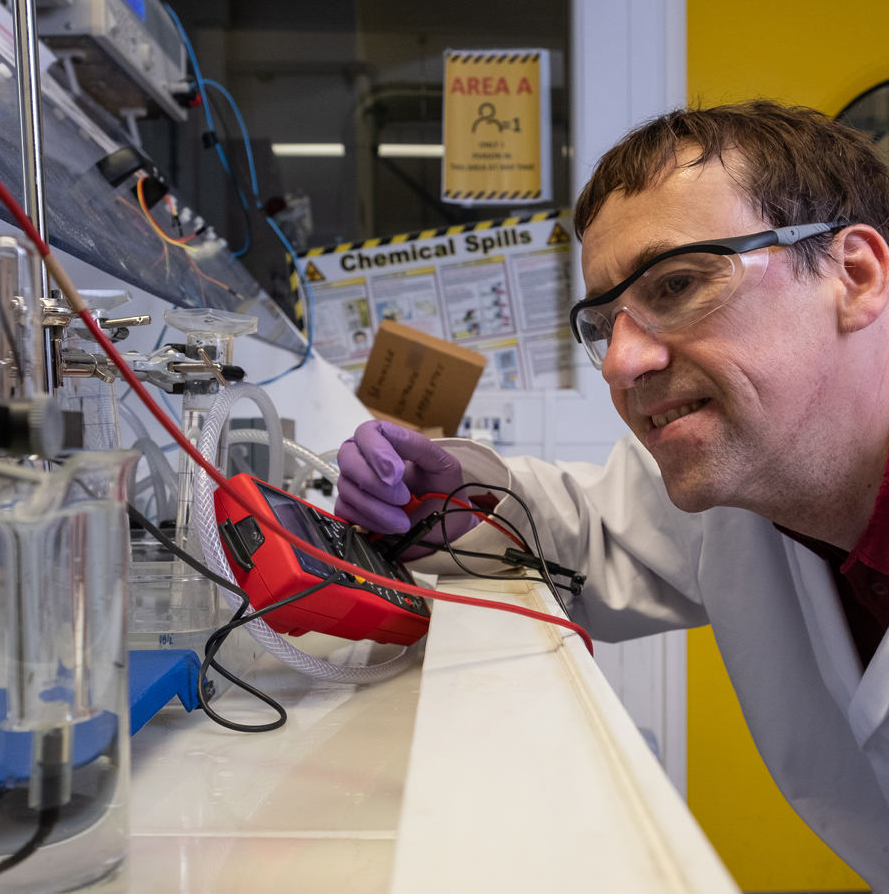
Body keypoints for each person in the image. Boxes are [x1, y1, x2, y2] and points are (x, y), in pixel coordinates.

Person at [334, 101, 889, 888]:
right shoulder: (747, 480)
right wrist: (453, 500)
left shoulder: (755, 454)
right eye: (603, 324)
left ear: (854, 275)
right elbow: (594, 532)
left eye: (679, 284)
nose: (622, 365)